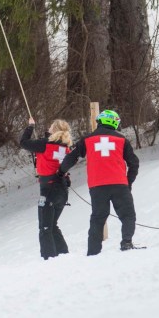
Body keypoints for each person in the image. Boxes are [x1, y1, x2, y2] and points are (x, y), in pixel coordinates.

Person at [60, 108, 139, 255]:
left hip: (97, 186)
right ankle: (126, 242)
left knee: (98, 218)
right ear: (114, 123)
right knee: (128, 215)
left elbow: (72, 157)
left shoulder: (87, 139)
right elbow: (134, 163)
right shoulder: (122, 140)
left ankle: (93, 252)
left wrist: (61, 172)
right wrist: (129, 182)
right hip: (119, 184)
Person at [19, 116, 73, 259]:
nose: (48, 129)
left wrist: (30, 126)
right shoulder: (66, 147)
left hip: (48, 190)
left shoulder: (45, 144)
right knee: (53, 225)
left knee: (45, 227)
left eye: (50, 127)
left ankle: (48, 259)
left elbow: (23, 142)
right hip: (62, 190)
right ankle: (64, 255)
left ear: (54, 130)